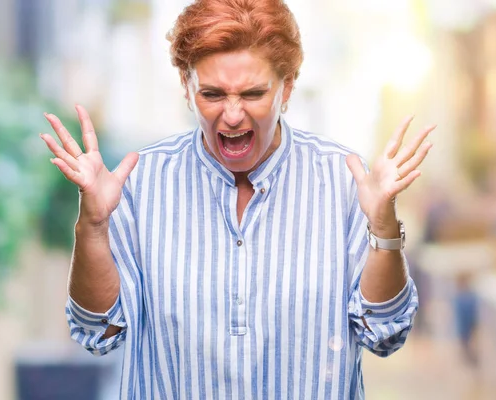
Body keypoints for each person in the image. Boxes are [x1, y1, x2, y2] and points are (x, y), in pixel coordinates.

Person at [40, 0, 434, 398]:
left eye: (252, 93)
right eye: (212, 94)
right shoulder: (139, 182)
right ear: (186, 87)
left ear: (287, 88)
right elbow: (96, 334)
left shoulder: (343, 180)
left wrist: (384, 229)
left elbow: (385, 333)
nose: (231, 115)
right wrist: (92, 226)